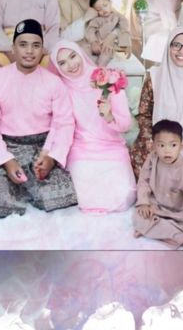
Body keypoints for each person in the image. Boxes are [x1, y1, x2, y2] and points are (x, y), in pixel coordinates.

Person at [0, 19, 77, 218]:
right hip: (8, 147)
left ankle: (30, 185)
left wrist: (51, 158)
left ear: (42, 50)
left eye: (36, 45)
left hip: (41, 147)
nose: (30, 51)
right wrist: (7, 161)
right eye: (23, 44)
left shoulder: (53, 82)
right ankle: (19, 185)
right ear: (13, 48)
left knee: (62, 197)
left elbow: (64, 123)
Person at [50, 40, 136, 213]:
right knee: (84, 198)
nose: (71, 65)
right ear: (57, 67)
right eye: (62, 63)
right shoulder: (61, 89)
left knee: (123, 196)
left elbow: (126, 124)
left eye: (73, 56)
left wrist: (109, 116)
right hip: (82, 149)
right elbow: (60, 126)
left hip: (111, 147)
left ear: (81, 54)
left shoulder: (108, 78)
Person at [129, 26, 183, 178]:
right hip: (154, 143)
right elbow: (144, 114)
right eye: (176, 45)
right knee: (149, 180)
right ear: (168, 47)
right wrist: (154, 143)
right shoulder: (154, 77)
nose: (182, 51)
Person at [133, 119, 183, 250]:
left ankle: (158, 231)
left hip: (179, 211)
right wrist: (144, 203)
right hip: (157, 206)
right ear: (154, 146)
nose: (167, 151)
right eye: (161, 145)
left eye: (173, 145)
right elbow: (144, 180)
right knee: (139, 217)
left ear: (181, 146)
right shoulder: (152, 158)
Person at [81, 0, 131, 66]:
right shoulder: (97, 19)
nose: (103, 10)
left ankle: (99, 70)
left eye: (105, 5)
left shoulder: (116, 17)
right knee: (84, 50)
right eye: (99, 10)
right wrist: (93, 42)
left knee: (105, 57)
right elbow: (90, 30)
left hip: (108, 47)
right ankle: (87, 68)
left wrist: (125, 44)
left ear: (110, 2)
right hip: (96, 44)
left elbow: (124, 25)